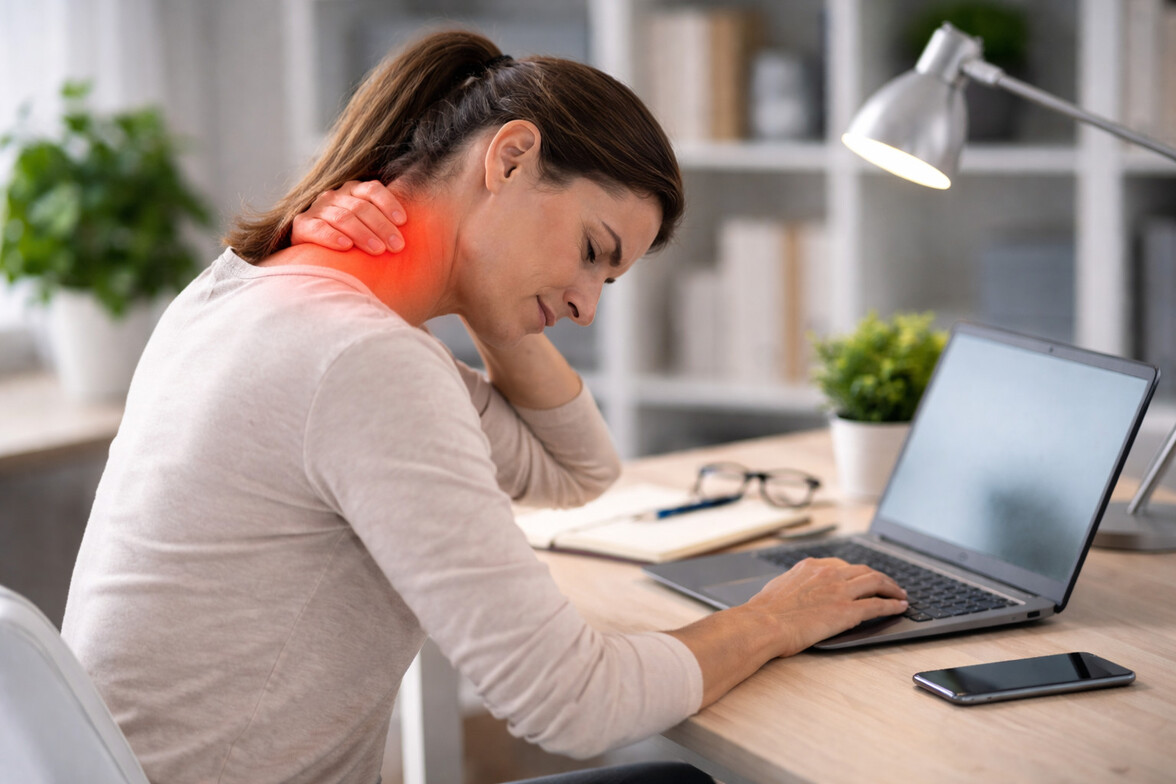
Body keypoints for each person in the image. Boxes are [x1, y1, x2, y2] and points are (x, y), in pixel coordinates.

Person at [61, 30, 908, 784]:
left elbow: (578, 472)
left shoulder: (246, 295)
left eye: (605, 281)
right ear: (508, 160)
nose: (586, 306)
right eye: (590, 252)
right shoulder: (362, 361)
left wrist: (476, 285)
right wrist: (775, 618)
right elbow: (574, 705)